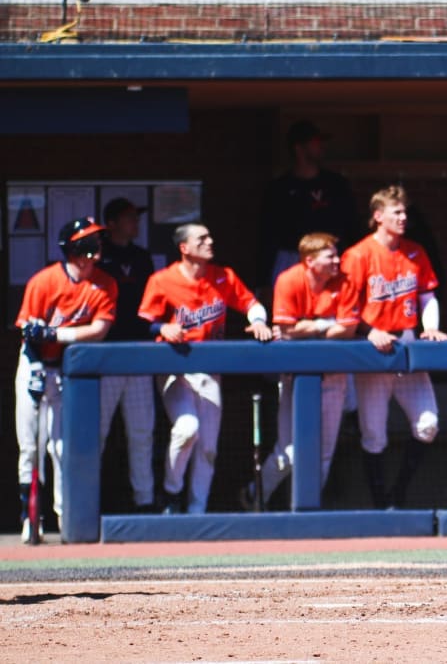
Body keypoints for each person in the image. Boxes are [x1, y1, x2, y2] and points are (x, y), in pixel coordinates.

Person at [138, 223, 273, 514]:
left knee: (208, 448)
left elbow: (251, 303)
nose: (210, 242)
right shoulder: (162, 280)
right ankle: (171, 495)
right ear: (184, 248)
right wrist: (164, 327)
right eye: (202, 238)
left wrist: (259, 320)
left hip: (211, 370)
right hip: (177, 368)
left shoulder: (222, 276)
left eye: (210, 236)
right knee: (187, 429)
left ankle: (197, 510)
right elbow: (143, 323)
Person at [340, 184, 447, 509]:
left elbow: (428, 297)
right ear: (378, 216)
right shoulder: (357, 254)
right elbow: (346, 311)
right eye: (396, 212)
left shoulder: (415, 251)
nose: (403, 217)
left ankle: (398, 492)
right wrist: (368, 331)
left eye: (404, 211)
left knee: (428, 424)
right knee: (374, 434)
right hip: (373, 347)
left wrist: (430, 327)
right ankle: (381, 504)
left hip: (408, 342)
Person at [239, 233, 359, 510]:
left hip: (335, 374)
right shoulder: (290, 279)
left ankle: (307, 509)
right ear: (310, 261)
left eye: (336, 254)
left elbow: (348, 329)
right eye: (330, 256)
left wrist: (311, 326)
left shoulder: (344, 280)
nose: (337, 260)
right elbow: (286, 329)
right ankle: (254, 495)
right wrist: (327, 324)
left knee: (325, 451)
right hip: (295, 376)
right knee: (289, 451)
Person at [15, 218, 117, 542]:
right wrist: (35, 367)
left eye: (97, 243)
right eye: (88, 243)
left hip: (66, 370)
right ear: (72, 248)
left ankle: (64, 519)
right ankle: (30, 518)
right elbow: (28, 330)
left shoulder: (104, 284)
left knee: (60, 447)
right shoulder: (44, 281)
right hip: (34, 363)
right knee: (30, 446)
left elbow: (98, 332)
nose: (95, 250)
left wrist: (57, 333)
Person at [95, 197, 157, 513]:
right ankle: (88, 499)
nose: (136, 222)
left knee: (142, 431)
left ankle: (144, 501)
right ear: (113, 223)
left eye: (136, 216)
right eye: (129, 218)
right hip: (105, 355)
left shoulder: (142, 257)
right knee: (98, 434)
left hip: (138, 353)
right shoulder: (97, 255)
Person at [259, 120, 357, 287]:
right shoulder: (280, 188)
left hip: (329, 258)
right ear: (299, 148)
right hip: (291, 258)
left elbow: (352, 226)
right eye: (316, 142)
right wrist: (262, 280)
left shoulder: (336, 184)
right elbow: (267, 236)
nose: (321, 147)